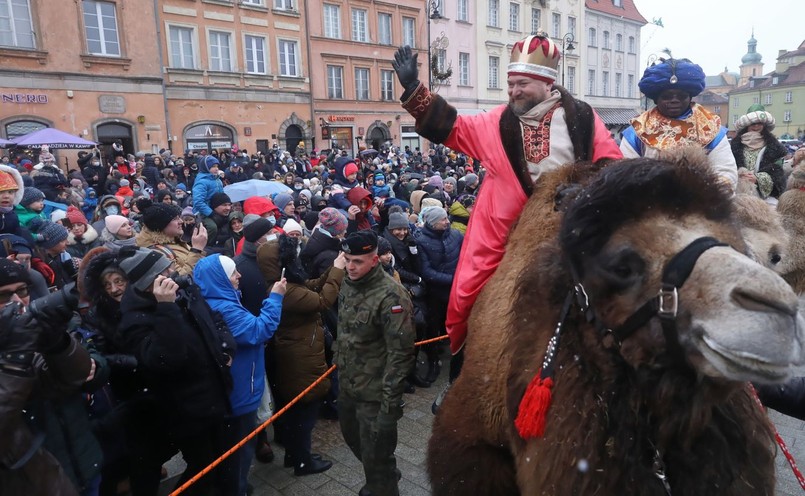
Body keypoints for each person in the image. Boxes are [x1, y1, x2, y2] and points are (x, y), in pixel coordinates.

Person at [392, 36, 621, 360]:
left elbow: (611, 165)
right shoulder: (497, 121)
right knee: (468, 294)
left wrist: (586, 192)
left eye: (522, 84)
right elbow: (454, 128)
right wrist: (415, 89)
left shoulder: (581, 117)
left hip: (569, 226)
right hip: (503, 230)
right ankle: (472, 364)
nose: (513, 91)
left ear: (547, 83)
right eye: (511, 84)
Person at [116, 247, 235, 496]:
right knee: (204, 467)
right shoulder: (135, 319)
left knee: (225, 457)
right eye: (166, 270)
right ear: (151, 282)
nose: (173, 272)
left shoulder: (186, 291)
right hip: (187, 408)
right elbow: (167, 359)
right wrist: (166, 308)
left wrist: (225, 347)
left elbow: (214, 318)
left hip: (215, 392)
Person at [194, 254, 286, 496]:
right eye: (233, 273)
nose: (239, 276)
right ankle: (236, 488)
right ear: (220, 279)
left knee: (230, 450)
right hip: (239, 393)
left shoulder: (212, 299)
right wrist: (276, 298)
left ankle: (234, 484)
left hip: (231, 389)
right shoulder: (224, 307)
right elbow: (259, 330)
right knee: (239, 451)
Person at [0, 260, 94, 496]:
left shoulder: (23, 332)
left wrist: (57, 343)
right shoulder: (17, 343)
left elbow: (73, 378)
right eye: (3, 295)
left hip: (65, 468)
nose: (17, 301)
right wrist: (14, 360)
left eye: (22, 291)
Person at [336, 230, 415, 496]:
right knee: (354, 441)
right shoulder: (349, 282)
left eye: (357, 261)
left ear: (374, 260)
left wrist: (389, 407)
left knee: (377, 455)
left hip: (375, 395)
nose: (350, 266)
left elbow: (400, 354)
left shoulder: (392, 296)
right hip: (348, 386)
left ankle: (383, 483)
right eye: (347, 260)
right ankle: (382, 474)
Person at [258, 235, 343, 476]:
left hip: (300, 352)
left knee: (299, 412)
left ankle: (295, 455)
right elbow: (321, 300)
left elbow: (311, 285)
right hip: (300, 358)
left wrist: (333, 268)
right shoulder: (285, 291)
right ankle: (302, 462)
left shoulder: (287, 284)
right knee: (305, 411)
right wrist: (338, 271)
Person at [621, 56, 738, 189]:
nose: (674, 100)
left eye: (681, 96)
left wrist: (702, 196)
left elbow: (726, 173)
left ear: (690, 97)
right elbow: (625, 174)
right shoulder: (637, 131)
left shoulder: (710, 128)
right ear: (656, 99)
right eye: (667, 96)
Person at [730, 104, 787, 203]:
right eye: (753, 123)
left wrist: (758, 179)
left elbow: (778, 174)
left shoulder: (775, 148)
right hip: (737, 193)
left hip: (765, 199)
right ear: (747, 126)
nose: (756, 126)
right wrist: (739, 176)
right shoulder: (734, 146)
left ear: (764, 125)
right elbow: (727, 166)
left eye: (759, 123)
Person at [135, 198, 207, 275]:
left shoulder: (173, 239)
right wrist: (196, 250)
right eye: (175, 219)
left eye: (179, 217)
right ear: (161, 225)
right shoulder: (157, 252)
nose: (181, 221)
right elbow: (179, 278)